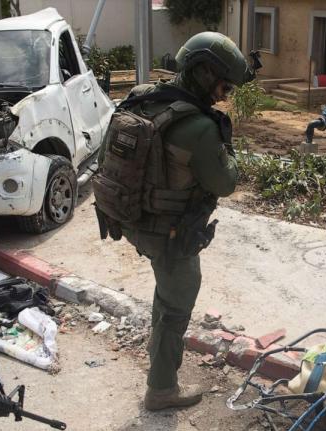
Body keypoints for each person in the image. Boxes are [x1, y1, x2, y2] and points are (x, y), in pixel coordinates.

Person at [98, 32, 250, 411]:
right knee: (178, 302)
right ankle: (162, 389)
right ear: (202, 72)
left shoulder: (143, 96)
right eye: (223, 84)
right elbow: (226, 183)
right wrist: (228, 152)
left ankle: (158, 356)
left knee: (166, 295)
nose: (224, 93)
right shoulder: (199, 128)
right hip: (169, 233)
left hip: (132, 218)